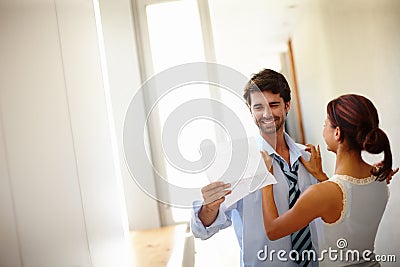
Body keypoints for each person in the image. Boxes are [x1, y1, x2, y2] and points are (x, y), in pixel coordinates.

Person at [191, 69, 322, 267]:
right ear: (250, 110)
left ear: (287, 106)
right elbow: (203, 229)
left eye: (274, 105)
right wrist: (209, 207)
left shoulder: (308, 157)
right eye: (259, 107)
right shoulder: (238, 162)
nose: (267, 114)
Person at [261, 94, 395, 266]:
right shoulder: (380, 178)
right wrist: (321, 176)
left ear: (337, 133)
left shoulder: (322, 194)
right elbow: (346, 206)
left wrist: (266, 178)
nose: (323, 128)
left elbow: (273, 230)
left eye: (325, 124)